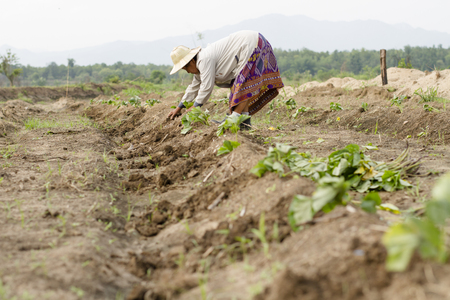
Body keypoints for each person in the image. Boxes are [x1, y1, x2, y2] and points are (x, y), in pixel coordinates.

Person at [167, 30, 284, 128]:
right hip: (252, 42)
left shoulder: (204, 59)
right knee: (241, 84)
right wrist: (179, 108)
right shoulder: (198, 66)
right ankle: (244, 122)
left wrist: (195, 106)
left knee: (243, 83)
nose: (187, 71)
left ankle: (234, 119)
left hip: (250, 44)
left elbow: (206, 87)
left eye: (186, 67)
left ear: (191, 60)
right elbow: (193, 87)